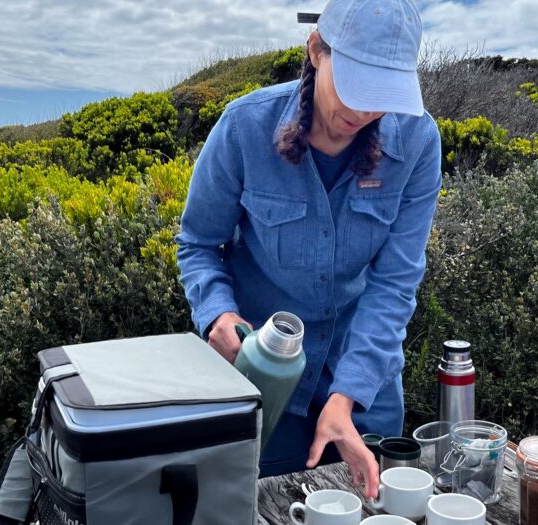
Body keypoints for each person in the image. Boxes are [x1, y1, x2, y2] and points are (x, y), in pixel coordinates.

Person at [175, 0, 441, 499]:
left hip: (365, 383)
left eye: (382, 95)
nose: (363, 112)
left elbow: (395, 282)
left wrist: (347, 394)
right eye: (355, 87)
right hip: (266, 383)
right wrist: (217, 314)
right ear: (317, 50)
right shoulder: (242, 128)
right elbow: (198, 242)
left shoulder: (420, 142)